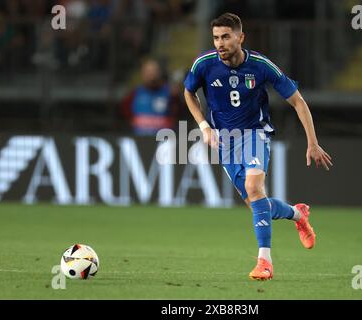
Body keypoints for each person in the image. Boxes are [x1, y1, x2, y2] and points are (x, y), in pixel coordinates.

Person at [183, 13, 333, 280]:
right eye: (216, 37)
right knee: (256, 204)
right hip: (224, 140)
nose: (220, 43)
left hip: (255, 133)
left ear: (240, 37)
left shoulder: (262, 66)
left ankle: (265, 262)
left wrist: (313, 142)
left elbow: (298, 101)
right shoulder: (204, 64)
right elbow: (188, 93)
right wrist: (204, 126)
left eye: (226, 37)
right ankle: (298, 214)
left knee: (254, 188)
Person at [121, 59, 181, 135]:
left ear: (159, 73)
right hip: (140, 140)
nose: (151, 75)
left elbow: (178, 114)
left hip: (163, 141)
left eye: (154, 71)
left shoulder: (170, 93)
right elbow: (125, 114)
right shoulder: (135, 94)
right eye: (148, 71)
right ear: (142, 74)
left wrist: (177, 98)